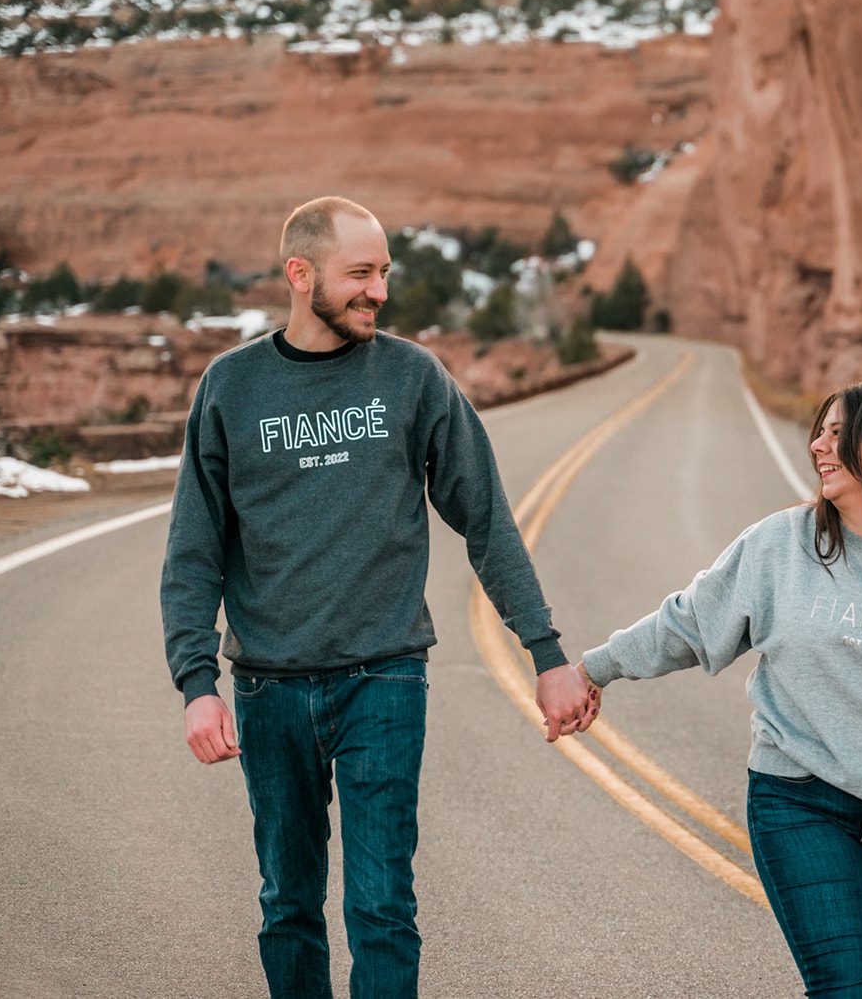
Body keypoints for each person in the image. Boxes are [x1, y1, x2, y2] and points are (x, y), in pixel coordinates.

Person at [160, 196, 595, 998]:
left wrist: (547, 653)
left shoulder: (412, 376)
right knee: (287, 904)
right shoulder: (231, 388)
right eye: (360, 273)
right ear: (301, 275)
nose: (379, 292)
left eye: (385, 273)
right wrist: (197, 685)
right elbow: (193, 553)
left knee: (382, 904)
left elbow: (488, 521)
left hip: (384, 681)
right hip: (267, 686)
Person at [578, 381, 862, 999]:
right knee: (848, 988)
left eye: (839, 434)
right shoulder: (781, 544)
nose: (818, 446)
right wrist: (593, 669)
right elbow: (690, 623)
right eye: (820, 431)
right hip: (800, 800)